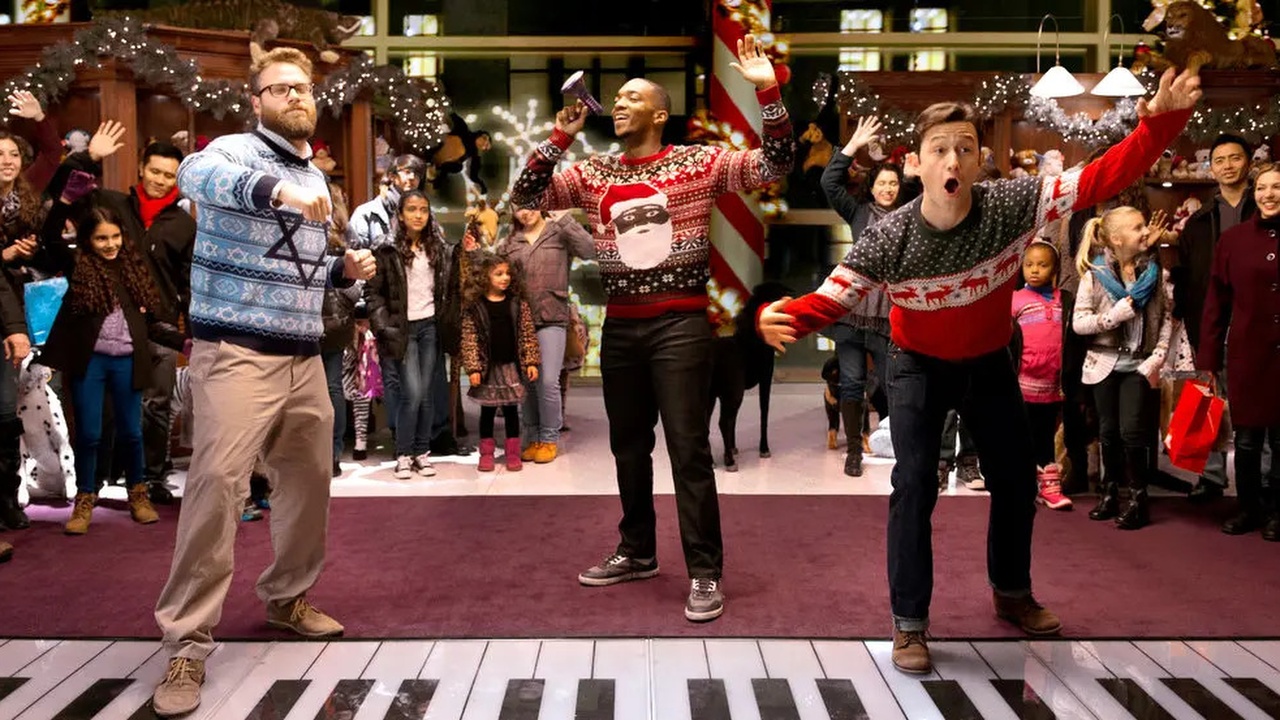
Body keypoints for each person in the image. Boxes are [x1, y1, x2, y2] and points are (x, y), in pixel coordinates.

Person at [758, 67, 1200, 672]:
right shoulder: (890, 237)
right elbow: (834, 296)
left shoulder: (1013, 203)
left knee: (1017, 481)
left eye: (966, 149)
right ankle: (909, 623)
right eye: (940, 149)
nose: (954, 159)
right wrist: (777, 317)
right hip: (916, 365)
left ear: (978, 162)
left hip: (991, 359)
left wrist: (1163, 122)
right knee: (914, 486)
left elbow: (1102, 177)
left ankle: (1012, 593)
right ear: (918, 163)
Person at [509, 35, 793, 622]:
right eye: (615, 98)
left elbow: (776, 163)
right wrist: (560, 135)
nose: (618, 103)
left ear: (659, 113)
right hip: (622, 327)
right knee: (628, 447)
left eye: (632, 97)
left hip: (681, 324)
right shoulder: (594, 173)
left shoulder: (698, 161)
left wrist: (766, 90)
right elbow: (524, 195)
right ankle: (637, 550)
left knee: (688, 449)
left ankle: (705, 571)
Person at [150, 47, 376, 718]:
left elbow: (301, 259)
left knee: (309, 485)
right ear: (257, 102)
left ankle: (285, 599)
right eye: (278, 88)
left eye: (302, 87)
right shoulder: (233, 151)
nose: (293, 96)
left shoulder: (318, 176)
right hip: (235, 353)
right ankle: (187, 641)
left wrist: (342, 271)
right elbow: (198, 175)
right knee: (217, 488)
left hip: (304, 357)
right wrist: (274, 189)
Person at [49, 134, 196, 504]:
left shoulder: (184, 224)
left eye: (169, 175)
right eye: (155, 171)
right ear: (142, 169)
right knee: (105, 409)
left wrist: (191, 335)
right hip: (105, 323)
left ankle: (151, 478)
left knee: (157, 405)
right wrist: (86, 157)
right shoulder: (111, 203)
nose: (161, 180)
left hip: (159, 326)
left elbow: (189, 281)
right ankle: (97, 480)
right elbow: (59, 199)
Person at [38, 202, 186, 534]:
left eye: (116, 236)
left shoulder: (133, 270)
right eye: (101, 238)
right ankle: (85, 497)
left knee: (132, 432)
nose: (110, 244)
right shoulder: (80, 267)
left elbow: (150, 324)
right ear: (87, 240)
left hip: (128, 362)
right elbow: (50, 235)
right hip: (91, 363)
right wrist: (65, 198)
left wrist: (183, 343)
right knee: (89, 435)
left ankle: (138, 494)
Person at [1072, 207, 1187, 529]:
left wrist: (1158, 355)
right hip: (1103, 363)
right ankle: (1108, 494)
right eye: (1137, 227)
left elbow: (1167, 319)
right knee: (1107, 431)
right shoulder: (1094, 275)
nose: (1145, 230)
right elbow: (1079, 324)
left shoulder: (1156, 274)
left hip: (1139, 365)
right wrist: (1113, 316)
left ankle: (1138, 499)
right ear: (1117, 238)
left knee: (1132, 432)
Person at [820, 115, 916, 477]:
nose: (888, 189)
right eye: (882, 183)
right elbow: (829, 182)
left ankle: (899, 448)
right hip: (851, 312)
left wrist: (916, 173)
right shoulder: (858, 212)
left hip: (890, 315)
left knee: (894, 382)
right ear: (872, 187)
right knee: (851, 382)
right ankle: (853, 452)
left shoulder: (910, 215)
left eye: (894, 183)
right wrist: (849, 148)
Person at [1174, 134, 1259, 503]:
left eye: (1234, 158)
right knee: (1209, 400)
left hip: (1257, 324)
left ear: (1248, 163)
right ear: (1212, 168)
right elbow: (1187, 276)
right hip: (1210, 324)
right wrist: (1193, 325)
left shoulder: (1265, 209)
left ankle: (1267, 482)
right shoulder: (1199, 221)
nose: (1227, 165)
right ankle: (1211, 478)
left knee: (1260, 405)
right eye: (1220, 159)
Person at [1197, 163, 1280, 540]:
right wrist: (1209, 358)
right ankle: (1247, 508)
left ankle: (1277, 511)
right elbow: (1216, 302)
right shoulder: (1233, 240)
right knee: (1246, 440)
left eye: (1277, 187)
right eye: (1262, 188)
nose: (1269, 195)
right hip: (1247, 353)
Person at [500, 207, 595, 463]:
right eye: (518, 208)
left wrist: (565, 219)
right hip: (520, 320)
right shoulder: (510, 241)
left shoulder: (559, 232)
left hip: (552, 315)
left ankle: (549, 437)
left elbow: (589, 249)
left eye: (530, 206)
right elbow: (496, 276)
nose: (525, 213)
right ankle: (532, 437)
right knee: (528, 382)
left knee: (548, 380)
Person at [365, 190, 451, 479]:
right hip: (401, 329)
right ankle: (403, 453)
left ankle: (421, 453)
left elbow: (445, 286)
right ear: (400, 214)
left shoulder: (436, 246)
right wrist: (383, 326)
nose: (418, 215)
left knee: (426, 394)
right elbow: (373, 293)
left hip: (429, 325)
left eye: (423, 210)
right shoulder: (386, 248)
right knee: (410, 393)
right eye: (412, 209)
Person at [461, 253, 540, 472]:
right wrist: (474, 367)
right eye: (498, 274)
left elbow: (527, 334)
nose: (505, 278)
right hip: (488, 369)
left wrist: (531, 361)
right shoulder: (475, 307)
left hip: (510, 367)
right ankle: (486, 453)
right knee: (487, 412)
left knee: (511, 410)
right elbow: (469, 338)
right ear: (485, 277)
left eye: (507, 274)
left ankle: (513, 453)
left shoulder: (517, 304)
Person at [1011, 241, 1073, 510]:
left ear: (1055, 268)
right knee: (1020, 434)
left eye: (1042, 264)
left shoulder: (1065, 300)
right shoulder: (1015, 300)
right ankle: (1021, 484)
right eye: (1029, 265)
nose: (1035, 270)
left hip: (1053, 383)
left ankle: (1049, 486)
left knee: (1046, 433)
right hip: (1023, 381)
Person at [348, 154, 425, 250]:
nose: (412, 177)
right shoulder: (366, 213)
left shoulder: (424, 214)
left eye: (417, 174)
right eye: (407, 172)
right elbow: (354, 254)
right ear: (392, 176)